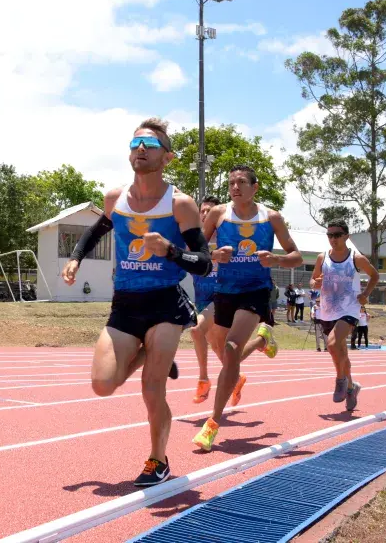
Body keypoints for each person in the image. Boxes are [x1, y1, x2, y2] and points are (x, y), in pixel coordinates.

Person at [61, 117, 212, 487]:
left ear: (168, 157)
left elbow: (204, 264)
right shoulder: (115, 198)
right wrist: (76, 258)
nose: (141, 149)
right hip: (125, 305)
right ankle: (146, 352)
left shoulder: (181, 205)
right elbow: (96, 232)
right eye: (135, 144)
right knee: (102, 384)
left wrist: (172, 251)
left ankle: (157, 461)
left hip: (165, 304)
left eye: (150, 145)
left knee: (151, 388)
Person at [191, 164, 303, 451]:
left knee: (230, 348)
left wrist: (276, 261)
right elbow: (197, 253)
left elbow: (297, 256)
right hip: (224, 292)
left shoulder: (271, 218)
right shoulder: (218, 214)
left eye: (241, 182)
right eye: (231, 182)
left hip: (255, 291)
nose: (235, 187)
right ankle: (263, 340)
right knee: (226, 353)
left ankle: (212, 424)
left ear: (255, 187)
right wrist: (214, 255)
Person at [310, 220, 379, 411]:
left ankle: (340, 380)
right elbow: (313, 279)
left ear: (347, 236)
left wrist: (365, 294)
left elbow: (374, 275)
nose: (333, 239)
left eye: (337, 235)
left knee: (332, 344)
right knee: (340, 354)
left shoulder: (356, 258)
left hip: (350, 309)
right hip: (327, 310)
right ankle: (351, 387)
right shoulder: (322, 258)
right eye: (330, 235)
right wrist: (314, 283)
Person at [191, 195, 221, 404]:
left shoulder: (226, 239)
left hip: (222, 298)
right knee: (220, 350)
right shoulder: (192, 240)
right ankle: (236, 377)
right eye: (202, 210)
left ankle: (203, 379)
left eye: (210, 210)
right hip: (201, 300)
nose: (204, 213)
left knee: (195, 330)